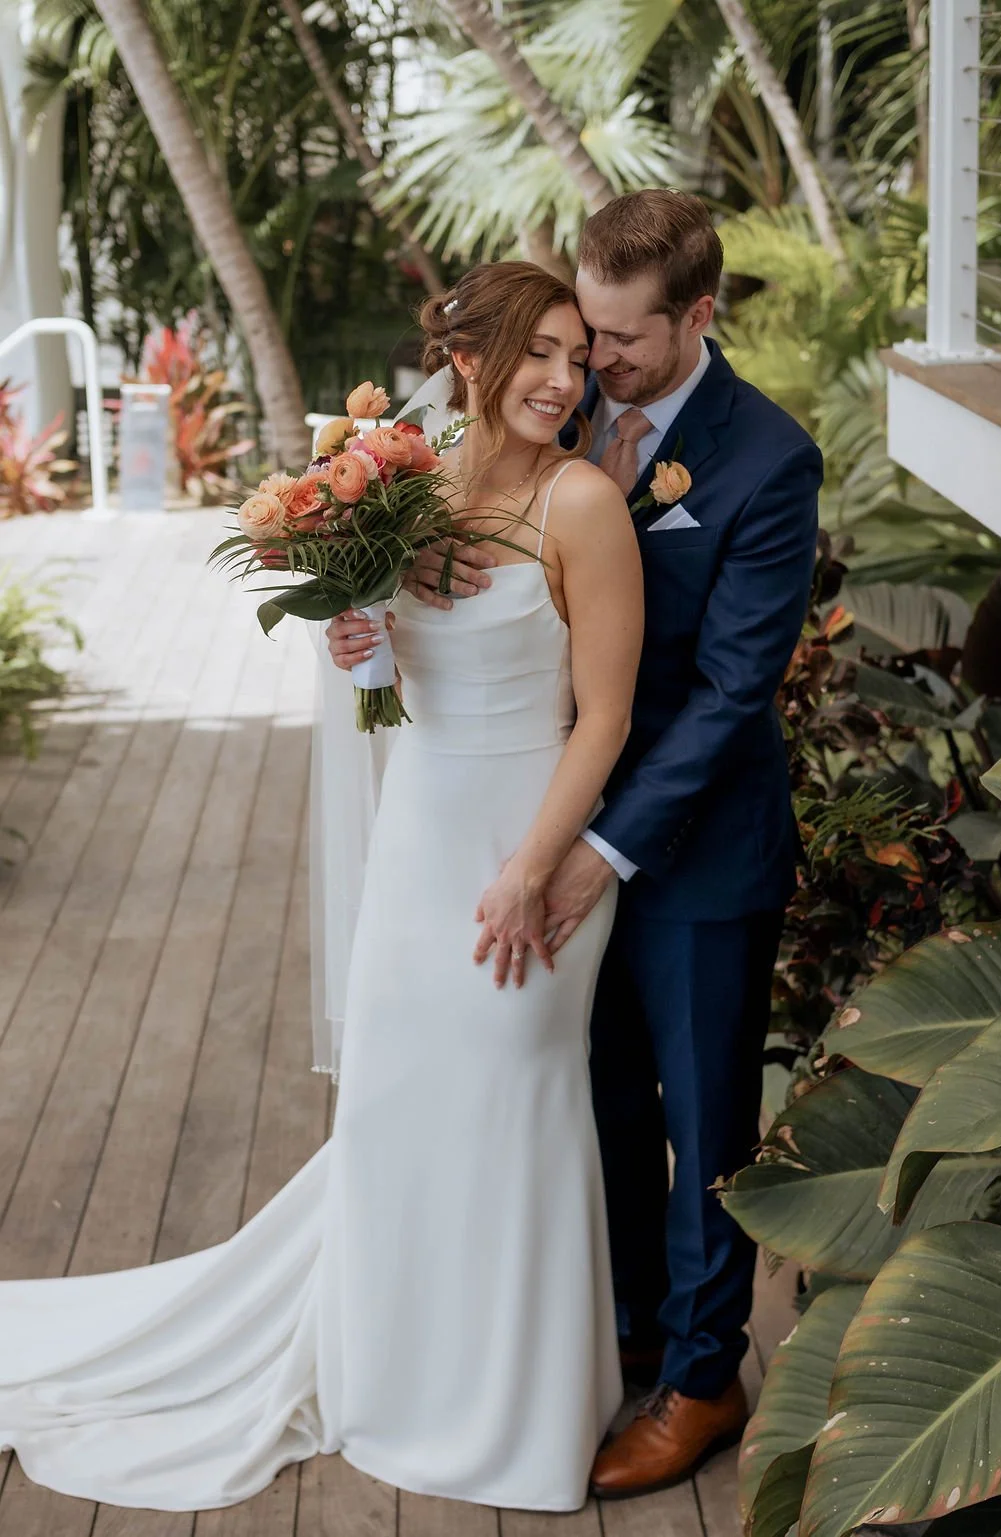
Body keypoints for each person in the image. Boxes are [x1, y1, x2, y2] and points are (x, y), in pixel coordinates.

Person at [0, 263, 644, 1515]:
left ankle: (515, 1407)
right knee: (405, 1110)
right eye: (541, 354)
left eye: (578, 358)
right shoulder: (409, 476)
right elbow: (385, 676)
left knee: (515, 1101)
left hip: (532, 848)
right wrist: (355, 639)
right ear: (471, 359)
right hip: (420, 833)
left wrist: (527, 872)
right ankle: (396, 1377)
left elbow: (606, 718)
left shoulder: (583, 505)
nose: (566, 382)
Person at [330, 189, 822, 1499]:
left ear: (697, 317)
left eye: (616, 340)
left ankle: (708, 1380)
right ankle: (623, 1338)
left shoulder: (769, 460)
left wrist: (589, 854)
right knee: (593, 1102)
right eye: (575, 337)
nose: (591, 366)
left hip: (688, 842)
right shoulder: (544, 413)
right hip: (533, 812)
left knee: (706, 1113)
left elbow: (726, 696)